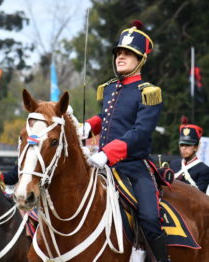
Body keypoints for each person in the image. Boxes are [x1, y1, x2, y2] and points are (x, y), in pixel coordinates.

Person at [80, 21, 170, 262]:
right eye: (119, 52)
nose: (121, 57)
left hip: (133, 167)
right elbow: (107, 117)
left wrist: (107, 153)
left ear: (140, 59)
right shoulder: (109, 89)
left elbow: (140, 132)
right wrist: (88, 127)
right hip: (104, 166)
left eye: (128, 53)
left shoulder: (148, 91)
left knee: (150, 219)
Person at [170, 120, 209, 193]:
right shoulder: (174, 164)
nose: (184, 148)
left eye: (188, 145)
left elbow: (199, 197)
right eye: (182, 145)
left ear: (196, 147)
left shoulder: (204, 169)